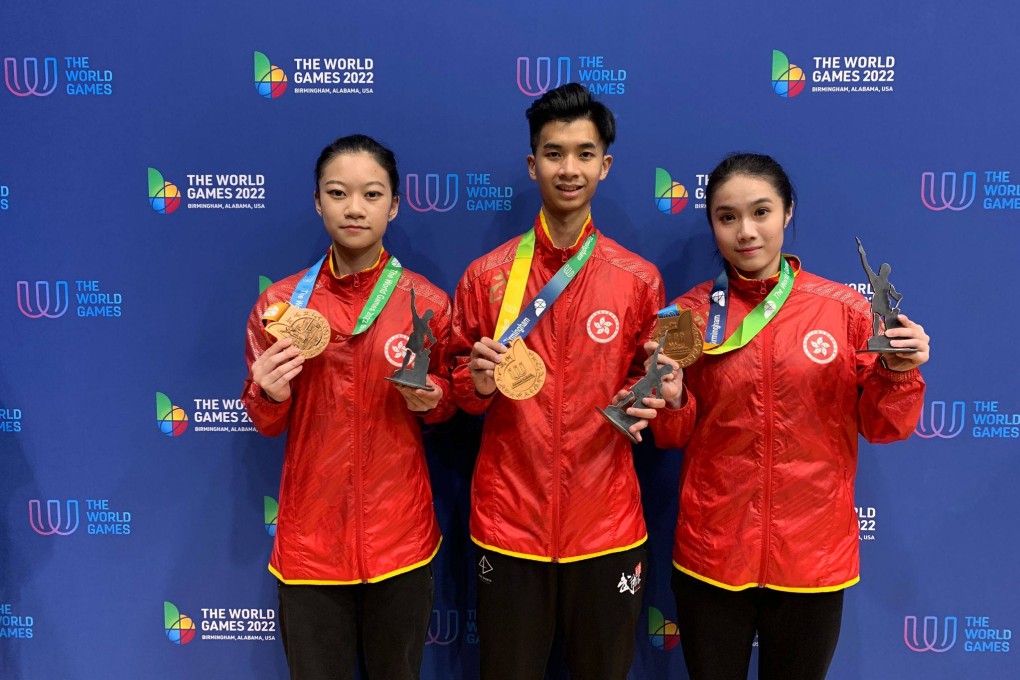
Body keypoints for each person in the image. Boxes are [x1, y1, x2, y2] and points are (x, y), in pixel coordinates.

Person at [649, 153, 930, 680]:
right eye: (727, 217)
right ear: (711, 223)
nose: (746, 231)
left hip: (812, 558)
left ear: (787, 213)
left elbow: (885, 425)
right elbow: (670, 435)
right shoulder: (683, 315)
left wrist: (899, 371)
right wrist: (673, 399)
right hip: (713, 554)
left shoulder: (845, 309)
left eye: (761, 212)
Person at [449, 83, 667, 680]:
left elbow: (660, 401)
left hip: (607, 528)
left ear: (605, 164)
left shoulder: (638, 280)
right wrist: (478, 384)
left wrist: (661, 403)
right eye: (553, 153)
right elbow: (455, 390)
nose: (568, 168)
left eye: (584, 153)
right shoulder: (487, 277)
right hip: (508, 525)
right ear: (531, 164)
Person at [242, 134, 455, 680]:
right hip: (311, 544)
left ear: (395, 204)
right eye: (338, 193)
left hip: (400, 540)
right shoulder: (279, 307)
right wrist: (269, 394)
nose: (354, 208)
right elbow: (267, 423)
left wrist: (433, 400)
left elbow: (447, 404)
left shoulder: (426, 302)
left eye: (371, 194)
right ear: (317, 202)